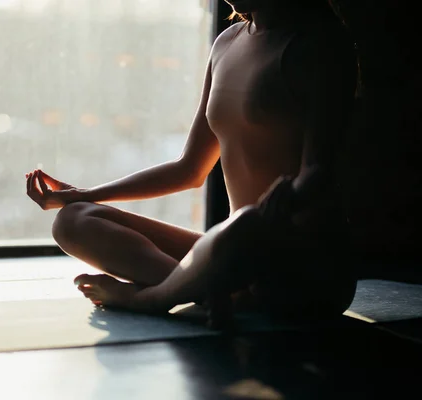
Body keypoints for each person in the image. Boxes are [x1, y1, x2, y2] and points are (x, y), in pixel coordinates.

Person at [26, 0, 359, 326]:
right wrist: (86, 194)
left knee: (243, 225)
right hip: (233, 256)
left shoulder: (321, 44)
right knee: (73, 221)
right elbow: (189, 169)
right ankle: (211, 290)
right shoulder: (227, 43)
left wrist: (284, 203)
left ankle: (148, 299)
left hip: (304, 265)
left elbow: (318, 170)